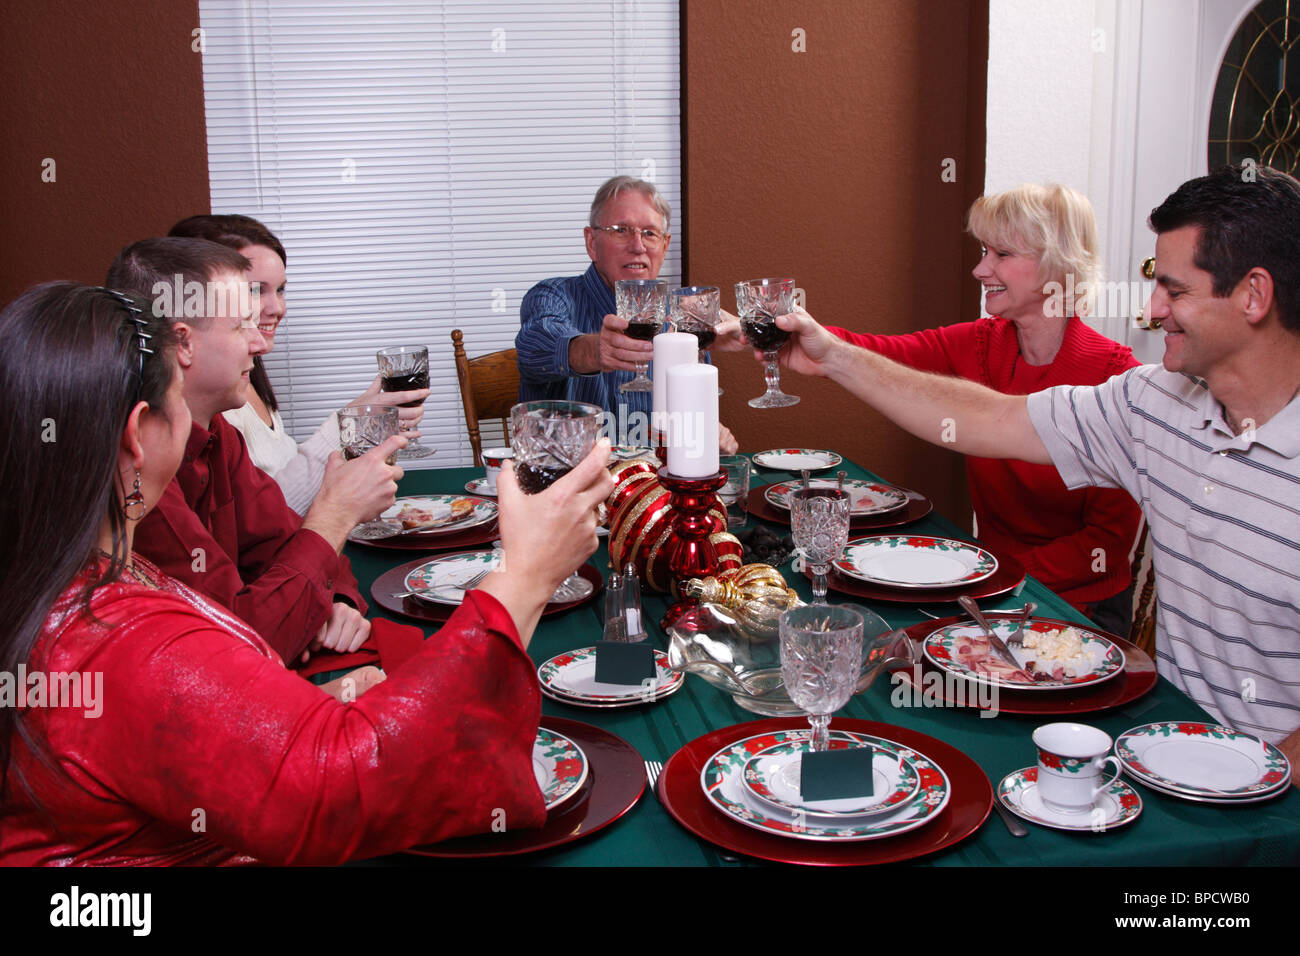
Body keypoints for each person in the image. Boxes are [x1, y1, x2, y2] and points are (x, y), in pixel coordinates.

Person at [0, 282, 614, 864]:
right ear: (138, 436)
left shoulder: (72, 568)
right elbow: (336, 794)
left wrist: (312, 704)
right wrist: (526, 577)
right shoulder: (116, 638)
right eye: (175, 400)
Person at [759, 165, 1300, 760]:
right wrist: (833, 357)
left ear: (1253, 295)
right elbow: (992, 418)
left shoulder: (1128, 377)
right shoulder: (1155, 403)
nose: (1152, 310)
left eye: (1175, 291)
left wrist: (1261, 778)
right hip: (1165, 745)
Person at [820, 185, 1142, 630]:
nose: (979, 269)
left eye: (1002, 254)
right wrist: (780, 333)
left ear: (1058, 264)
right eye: (985, 250)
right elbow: (875, 352)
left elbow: (1103, 546)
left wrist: (977, 575)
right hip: (990, 585)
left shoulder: (1117, 378)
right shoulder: (979, 341)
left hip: (1077, 605)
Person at [105, 238, 385, 668]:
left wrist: (335, 602)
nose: (262, 344)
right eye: (241, 326)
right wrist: (336, 515)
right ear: (183, 343)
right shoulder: (139, 473)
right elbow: (241, 648)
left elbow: (288, 545)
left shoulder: (217, 431)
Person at [167, 214, 430, 515]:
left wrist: (361, 420)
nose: (277, 308)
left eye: (280, 290)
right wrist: (348, 424)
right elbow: (263, 516)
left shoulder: (246, 378)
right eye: (254, 290)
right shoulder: (207, 400)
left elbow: (278, 483)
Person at [516, 175, 738, 452]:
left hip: (652, 485)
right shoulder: (553, 296)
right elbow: (533, 348)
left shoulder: (683, 317)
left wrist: (707, 435)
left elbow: (689, 423)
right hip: (569, 485)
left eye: (649, 233)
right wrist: (594, 351)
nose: (638, 245)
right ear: (592, 242)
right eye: (621, 230)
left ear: (665, 245)